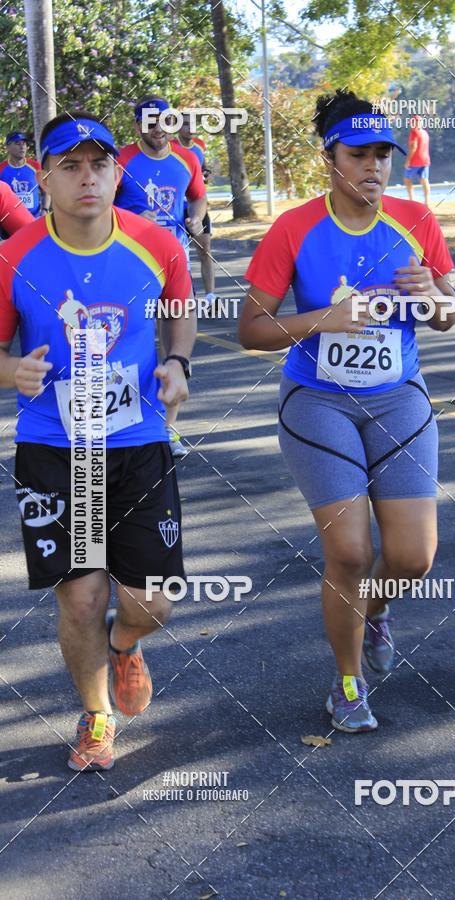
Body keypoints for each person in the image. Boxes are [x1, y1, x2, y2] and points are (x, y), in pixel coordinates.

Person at [239, 88, 455, 734]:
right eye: (358, 155)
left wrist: (434, 295)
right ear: (329, 159)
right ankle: (347, 683)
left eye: (382, 155)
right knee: (351, 552)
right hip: (318, 401)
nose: (373, 167)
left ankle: (375, 610)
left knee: (413, 557)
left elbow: (447, 316)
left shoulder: (416, 221)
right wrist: (321, 320)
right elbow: (251, 328)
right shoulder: (295, 228)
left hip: (398, 397)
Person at [0, 112, 196, 771]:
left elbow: (179, 314)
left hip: (137, 440)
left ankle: (125, 644)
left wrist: (178, 363)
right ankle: (96, 714)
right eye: (71, 166)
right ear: (44, 179)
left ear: (116, 173)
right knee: (82, 596)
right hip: (56, 449)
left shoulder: (157, 243)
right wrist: (11, 370)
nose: (88, 177)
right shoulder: (14, 256)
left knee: (152, 603)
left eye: (99, 164)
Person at [115, 95, 206, 457]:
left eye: (164, 121)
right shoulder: (121, 160)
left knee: (174, 349)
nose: (158, 129)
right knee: (128, 343)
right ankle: (122, 423)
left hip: (174, 264)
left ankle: (166, 429)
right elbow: (101, 205)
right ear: (137, 125)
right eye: (150, 122)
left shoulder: (187, 159)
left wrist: (196, 217)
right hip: (130, 265)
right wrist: (131, 221)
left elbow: (197, 197)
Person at [176, 112, 219, 311]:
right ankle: (184, 296)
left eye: (193, 124)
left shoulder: (199, 146)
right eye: (185, 124)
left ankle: (210, 297)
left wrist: (206, 174)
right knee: (177, 256)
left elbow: (201, 170)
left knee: (205, 250)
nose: (190, 128)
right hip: (177, 209)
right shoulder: (170, 148)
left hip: (198, 208)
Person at [0, 130, 49, 218]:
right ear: (8, 147)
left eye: (24, 144)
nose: (22, 147)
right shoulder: (1, 169)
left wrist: (45, 210)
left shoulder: (35, 166)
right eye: (18, 143)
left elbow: (46, 190)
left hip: (34, 219)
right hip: (10, 221)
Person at [403, 116, 431, 208]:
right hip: (425, 160)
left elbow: (413, 147)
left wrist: (408, 161)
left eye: (412, 123)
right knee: (424, 180)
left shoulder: (414, 132)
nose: (411, 125)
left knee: (407, 179)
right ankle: (427, 201)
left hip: (415, 161)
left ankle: (411, 200)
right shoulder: (425, 133)